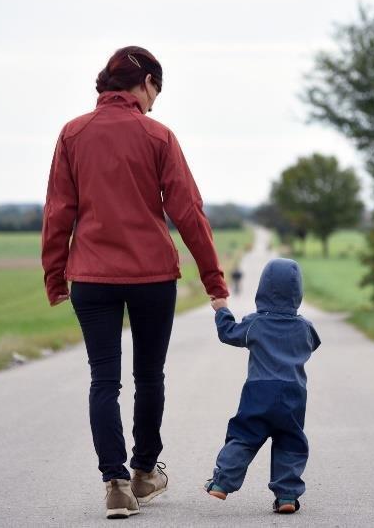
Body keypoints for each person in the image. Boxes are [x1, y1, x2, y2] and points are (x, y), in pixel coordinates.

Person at [41, 45, 229, 519]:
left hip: (91, 277)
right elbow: (188, 211)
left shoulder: (73, 133)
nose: (154, 102)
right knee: (149, 376)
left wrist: (55, 276)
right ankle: (144, 472)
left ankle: (116, 484)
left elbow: (58, 210)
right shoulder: (158, 136)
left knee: (103, 380)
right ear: (145, 82)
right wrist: (213, 282)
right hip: (152, 277)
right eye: (156, 91)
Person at [205, 258, 321, 514]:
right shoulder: (305, 328)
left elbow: (228, 333)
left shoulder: (255, 324)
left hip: (259, 392)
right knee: (290, 441)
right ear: (298, 293)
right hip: (293, 394)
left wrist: (222, 310)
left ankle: (222, 482)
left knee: (245, 436)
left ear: (263, 289)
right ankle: (287, 495)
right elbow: (313, 343)